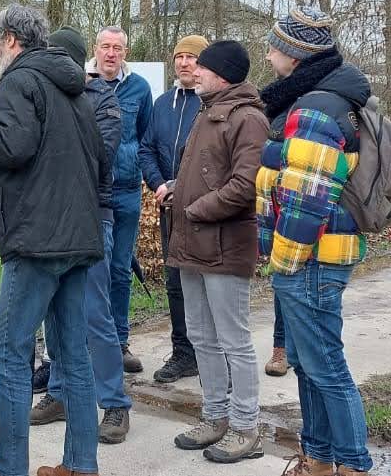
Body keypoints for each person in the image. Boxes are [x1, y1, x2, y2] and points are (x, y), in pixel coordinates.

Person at [0, 5, 108, 476]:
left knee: (8, 352)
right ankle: (80, 465)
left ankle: (8, 466)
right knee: (73, 355)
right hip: (77, 238)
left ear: (12, 40)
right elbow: (101, 159)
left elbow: (12, 146)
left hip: (38, 242)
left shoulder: (19, 81)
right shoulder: (75, 90)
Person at [257, 7, 374, 476]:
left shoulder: (315, 108)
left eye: (274, 46)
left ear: (295, 55)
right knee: (310, 364)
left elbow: (306, 198)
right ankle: (319, 459)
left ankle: (352, 464)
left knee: (325, 366)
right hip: (322, 254)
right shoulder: (326, 98)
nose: (268, 55)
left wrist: (282, 261)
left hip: (311, 259)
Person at [165, 40, 268, 463]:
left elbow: (246, 185)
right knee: (203, 338)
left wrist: (195, 209)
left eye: (202, 68)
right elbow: (208, 174)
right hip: (192, 243)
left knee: (234, 341)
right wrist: (178, 190)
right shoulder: (207, 111)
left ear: (221, 75)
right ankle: (214, 417)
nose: (194, 72)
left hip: (224, 246)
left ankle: (246, 428)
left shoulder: (248, 118)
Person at [29, 27, 131, 444]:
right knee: (54, 311)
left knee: (94, 313)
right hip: (50, 219)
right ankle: (59, 393)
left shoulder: (102, 99)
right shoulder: (41, 96)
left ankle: (115, 403)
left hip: (91, 216)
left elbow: (99, 157)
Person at [138, 35, 208, 384]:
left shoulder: (211, 104)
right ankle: (183, 353)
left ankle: (211, 353)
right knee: (175, 282)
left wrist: (181, 186)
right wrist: (158, 184)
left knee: (206, 283)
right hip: (169, 208)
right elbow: (147, 148)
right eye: (179, 56)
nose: (183, 63)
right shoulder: (163, 103)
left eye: (191, 57)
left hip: (204, 209)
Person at [86, 26, 153, 374]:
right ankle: (89, 344)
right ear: (95, 48)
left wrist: (142, 172)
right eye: (106, 46)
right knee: (91, 270)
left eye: (118, 48)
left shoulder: (139, 88)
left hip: (126, 190)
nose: (111, 53)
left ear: (125, 52)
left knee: (121, 270)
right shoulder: (81, 83)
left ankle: (120, 342)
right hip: (90, 191)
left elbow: (145, 137)